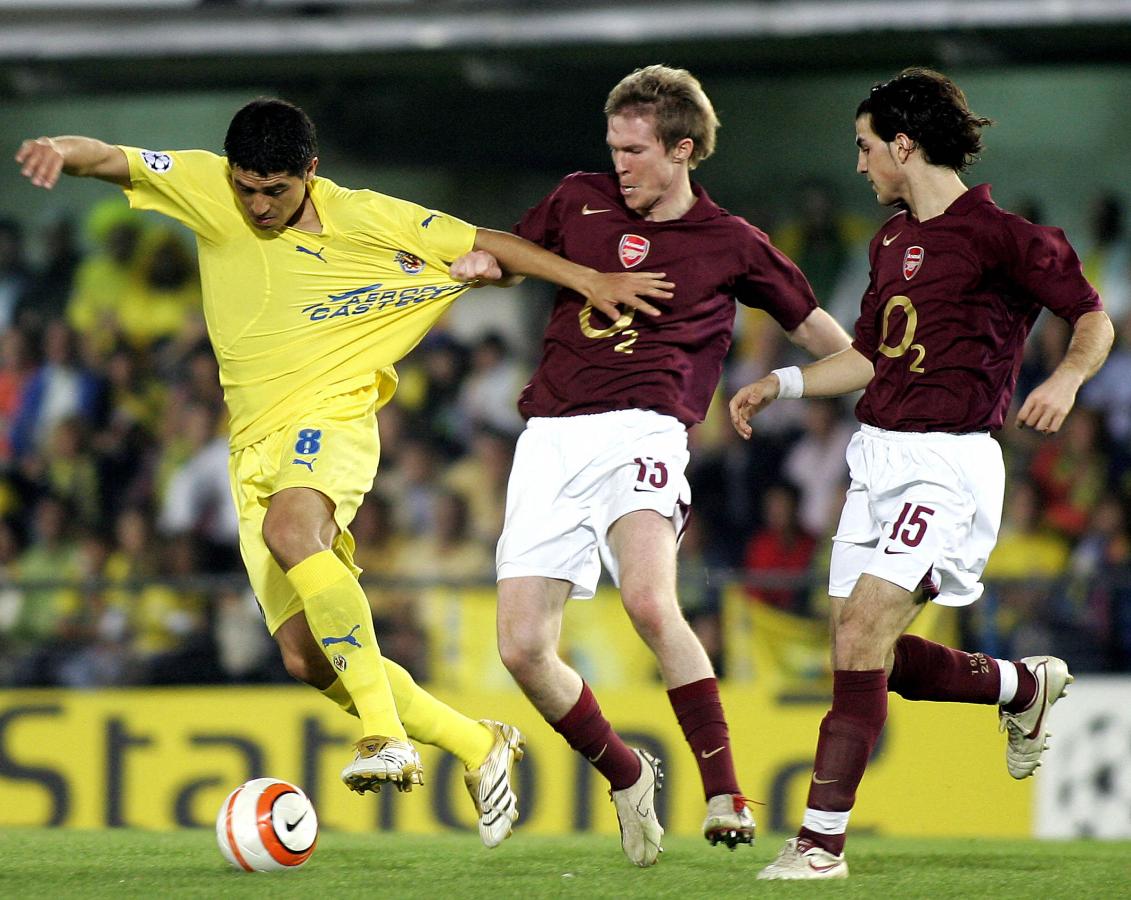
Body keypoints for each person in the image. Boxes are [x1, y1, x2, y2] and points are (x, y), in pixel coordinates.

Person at [14, 97, 674, 847]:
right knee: (305, 657)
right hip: (250, 445)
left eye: (276, 191)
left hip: (331, 418)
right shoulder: (204, 186)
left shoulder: (368, 216)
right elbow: (109, 155)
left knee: (298, 531)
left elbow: (491, 242)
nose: (257, 206)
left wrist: (589, 280)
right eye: (246, 189)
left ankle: (385, 736)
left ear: (312, 174)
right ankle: (476, 744)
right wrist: (57, 148)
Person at [457, 65, 851, 866]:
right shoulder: (577, 198)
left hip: (646, 430)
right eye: (613, 147)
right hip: (552, 436)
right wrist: (481, 268)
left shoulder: (733, 244)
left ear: (682, 150)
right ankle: (627, 771)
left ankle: (724, 791)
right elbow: (509, 253)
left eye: (634, 150)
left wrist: (783, 385)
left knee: (646, 597)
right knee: (522, 649)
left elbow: (838, 347)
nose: (619, 164)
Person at [729, 67, 1114, 880]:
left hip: (947, 464)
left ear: (903, 145)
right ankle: (1017, 686)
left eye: (865, 148)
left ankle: (819, 846)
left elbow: (1090, 316)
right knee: (857, 649)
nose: (859, 164)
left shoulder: (1007, 237)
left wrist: (1066, 378)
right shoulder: (892, 240)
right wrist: (783, 384)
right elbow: (866, 358)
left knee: (864, 632)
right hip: (876, 457)